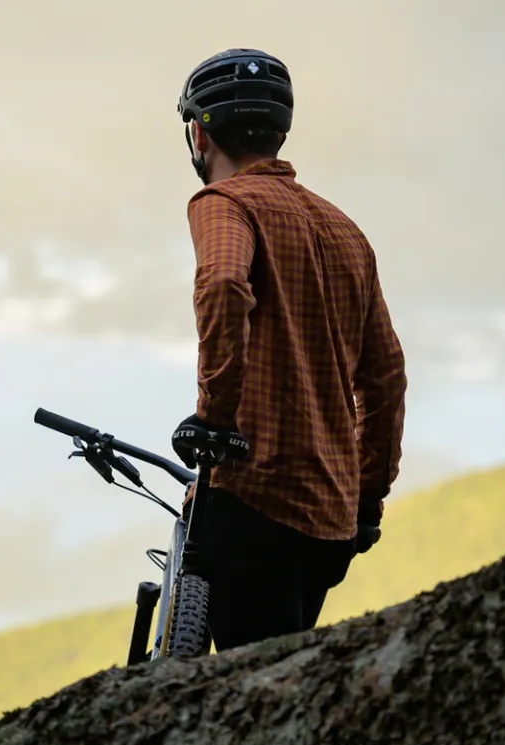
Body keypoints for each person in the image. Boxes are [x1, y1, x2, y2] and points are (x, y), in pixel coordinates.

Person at [168, 48, 408, 652]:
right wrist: (368, 496)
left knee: (236, 691)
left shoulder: (225, 204)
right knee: (284, 667)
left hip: (254, 495)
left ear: (199, 134)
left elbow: (223, 282)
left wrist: (215, 419)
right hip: (329, 517)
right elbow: (386, 376)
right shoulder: (346, 230)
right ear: (279, 131)